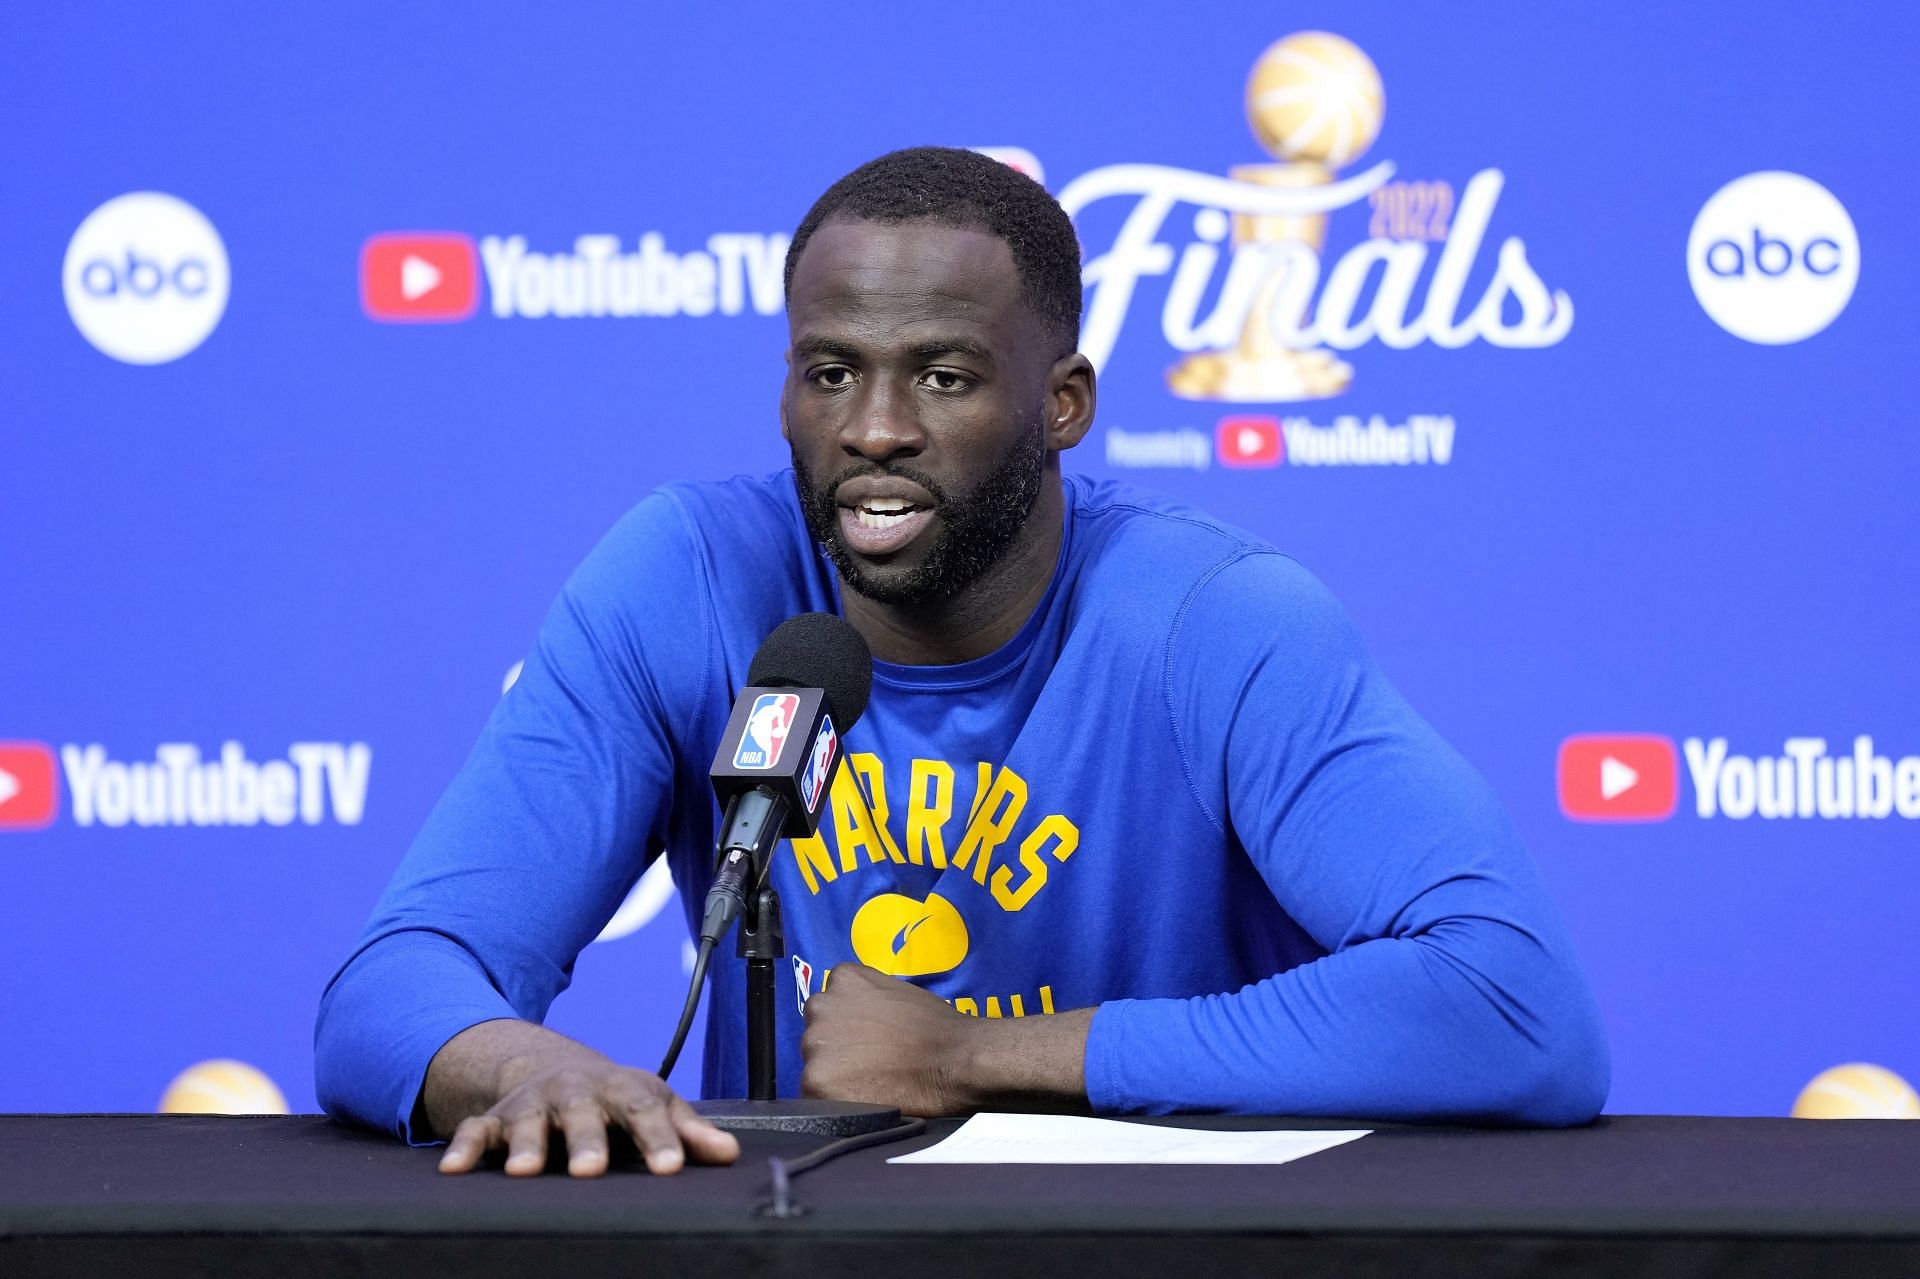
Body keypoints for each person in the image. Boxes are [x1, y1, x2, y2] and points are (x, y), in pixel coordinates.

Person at [315, 146, 1609, 1178]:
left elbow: (1512, 1007)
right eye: (831, 373)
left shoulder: (1214, 619)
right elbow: (392, 984)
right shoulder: (689, 577)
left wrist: (977, 1055)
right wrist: (513, 1065)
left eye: (942, 376)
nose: (874, 429)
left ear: (1064, 403)